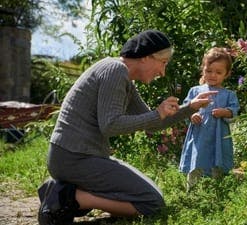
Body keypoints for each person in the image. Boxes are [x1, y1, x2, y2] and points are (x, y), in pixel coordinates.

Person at [37, 29, 217, 225]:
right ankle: (66, 197)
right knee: (152, 203)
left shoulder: (123, 77)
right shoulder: (115, 71)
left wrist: (190, 107)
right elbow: (110, 125)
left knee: (150, 196)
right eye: (163, 63)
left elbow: (153, 124)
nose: (162, 72)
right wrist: (157, 113)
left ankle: (63, 191)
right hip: (74, 158)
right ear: (146, 57)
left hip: (79, 156)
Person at [179, 47, 240, 190]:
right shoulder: (195, 91)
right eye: (209, 71)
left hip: (219, 136)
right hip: (200, 135)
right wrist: (192, 115)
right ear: (203, 70)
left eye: (218, 72)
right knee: (197, 159)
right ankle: (192, 190)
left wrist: (225, 112)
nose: (213, 75)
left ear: (227, 74)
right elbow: (186, 108)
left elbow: (234, 111)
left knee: (217, 160)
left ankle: (216, 189)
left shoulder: (229, 94)